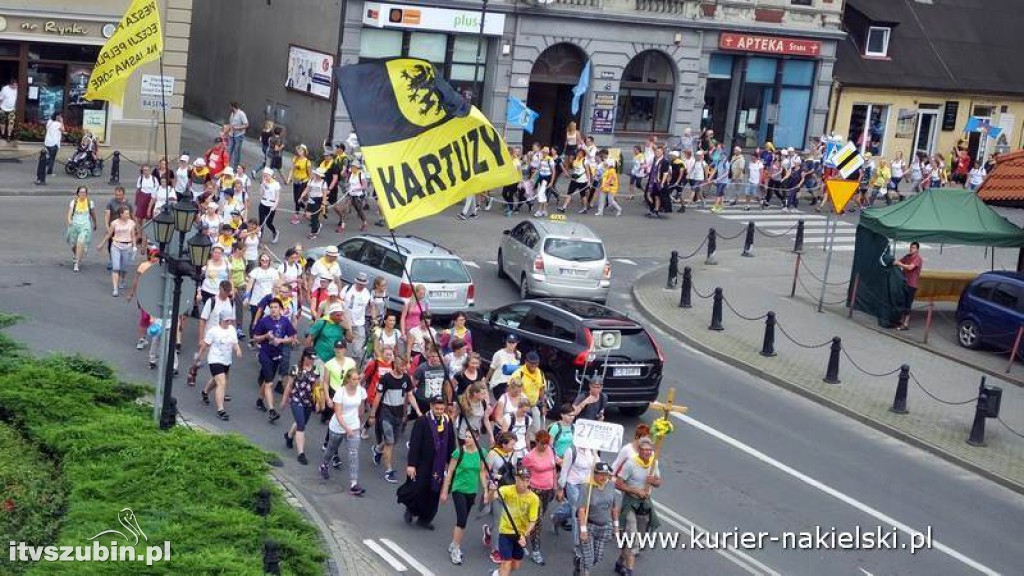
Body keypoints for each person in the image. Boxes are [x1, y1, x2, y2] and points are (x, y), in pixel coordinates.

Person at [401, 395, 456, 530]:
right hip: (423, 462)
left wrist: (451, 462)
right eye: (436, 408)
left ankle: (425, 518)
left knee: (434, 491)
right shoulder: (422, 421)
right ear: (431, 406)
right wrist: (411, 464)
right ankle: (411, 509)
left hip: (439, 463)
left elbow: (451, 443)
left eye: (441, 409)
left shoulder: (447, 422)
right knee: (418, 487)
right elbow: (415, 444)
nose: (439, 411)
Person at [440, 419, 489, 565]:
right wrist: (444, 491)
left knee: (463, 521)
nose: (466, 439)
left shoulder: (482, 452)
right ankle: (456, 549)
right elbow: (450, 472)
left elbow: (481, 472)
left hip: (471, 490)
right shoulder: (459, 452)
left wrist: (485, 491)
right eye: (465, 436)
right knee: (461, 519)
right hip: (458, 489)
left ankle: (453, 544)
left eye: (470, 437)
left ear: (477, 438)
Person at [614, 437, 661, 576]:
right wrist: (635, 491)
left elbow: (658, 482)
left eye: (649, 450)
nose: (647, 452)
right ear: (639, 450)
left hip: (645, 504)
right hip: (630, 503)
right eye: (644, 450)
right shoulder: (631, 463)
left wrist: (654, 481)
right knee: (632, 537)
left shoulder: (654, 463)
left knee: (639, 538)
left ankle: (620, 562)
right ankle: (629, 570)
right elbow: (618, 483)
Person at [320, 369, 368, 496]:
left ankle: (354, 483)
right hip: (338, 426)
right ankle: (324, 464)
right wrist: (347, 429)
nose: (357, 381)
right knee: (331, 448)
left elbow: (361, 408)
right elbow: (338, 414)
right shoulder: (340, 393)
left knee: (353, 454)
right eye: (354, 379)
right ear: (347, 380)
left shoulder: (361, 391)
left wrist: (359, 423)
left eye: (358, 379)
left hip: (354, 425)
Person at [370, 355, 415, 483]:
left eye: (405, 365)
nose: (404, 368)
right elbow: (378, 397)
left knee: (392, 441)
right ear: (395, 364)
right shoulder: (386, 379)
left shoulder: (406, 378)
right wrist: (373, 415)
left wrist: (416, 411)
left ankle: (377, 449)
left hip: (399, 413)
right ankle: (389, 471)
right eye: (401, 365)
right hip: (386, 413)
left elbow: (410, 395)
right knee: (390, 442)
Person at [251, 297, 296, 423]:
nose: (273, 310)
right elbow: (255, 338)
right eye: (271, 308)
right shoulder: (264, 322)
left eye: (275, 307)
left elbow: (292, 338)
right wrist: (266, 336)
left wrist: (280, 340)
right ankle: (272, 411)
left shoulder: (285, 321)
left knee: (267, 381)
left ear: (281, 309)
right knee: (270, 383)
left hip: (277, 354)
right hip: (265, 354)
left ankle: (259, 401)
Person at [489, 466, 540, 576]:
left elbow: (533, 521)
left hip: (520, 534)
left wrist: (525, 535)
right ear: (516, 479)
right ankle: (502, 571)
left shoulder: (534, 499)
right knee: (506, 564)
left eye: (527, 480)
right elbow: (490, 499)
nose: (524, 483)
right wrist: (492, 491)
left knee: (515, 565)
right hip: (505, 532)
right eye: (521, 480)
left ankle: (497, 573)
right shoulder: (506, 490)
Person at [575, 461, 620, 576]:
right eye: (600, 474)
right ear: (594, 474)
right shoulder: (587, 487)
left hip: (605, 526)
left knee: (597, 558)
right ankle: (584, 571)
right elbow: (581, 510)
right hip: (589, 526)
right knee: (588, 559)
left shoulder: (610, 485)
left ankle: (579, 562)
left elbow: (614, 507)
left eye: (605, 474)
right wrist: (583, 530)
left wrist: (616, 526)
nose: (603, 477)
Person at [196, 311, 242, 421]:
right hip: (215, 359)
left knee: (216, 381)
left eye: (230, 320)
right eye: (226, 320)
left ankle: (205, 392)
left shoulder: (231, 330)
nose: (228, 322)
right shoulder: (213, 331)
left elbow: (234, 343)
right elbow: (205, 345)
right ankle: (220, 410)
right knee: (222, 382)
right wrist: (199, 356)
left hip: (226, 360)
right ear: (221, 320)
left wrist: (238, 350)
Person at [520, 430, 557, 565]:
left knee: (532, 519)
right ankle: (536, 550)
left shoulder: (550, 451)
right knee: (537, 521)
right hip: (534, 491)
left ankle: (521, 538)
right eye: (542, 443)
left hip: (548, 490)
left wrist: (555, 486)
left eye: (547, 443)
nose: (545, 446)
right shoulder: (530, 456)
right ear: (536, 442)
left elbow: (553, 469)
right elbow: (522, 473)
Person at [482, 432, 520, 564]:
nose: (514, 447)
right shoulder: (493, 454)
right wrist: (491, 481)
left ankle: (488, 532)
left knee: (507, 519)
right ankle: (495, 550)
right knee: (499, 520)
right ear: (503, 444)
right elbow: (484, 471)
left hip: (510, 490)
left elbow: (514, 470)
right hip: (497, 490)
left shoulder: (514, 454)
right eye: (511, 444)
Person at [281, 346, 322, 465]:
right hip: (296, 399)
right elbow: (289, 385)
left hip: (308, 401)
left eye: (313, 358)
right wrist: (284, 400)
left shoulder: (316, 370)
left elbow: (317, 387)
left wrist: (318, 402)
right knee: (301, 426)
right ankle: (301, 453)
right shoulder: (296, 369)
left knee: (302, 422)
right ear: (304, 356)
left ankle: (289, 436)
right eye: (310, 357)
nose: (311, 360)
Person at [96, 206, 138, 295]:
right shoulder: (114, 223)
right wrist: (102, 244)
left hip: (127, 246)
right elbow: (109, 234)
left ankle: (122, 279)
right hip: (116, 246)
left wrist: (134, 247)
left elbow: (133, 236)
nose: (128, 215)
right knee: (116, 267)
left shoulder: (131, 223)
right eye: (126, 213)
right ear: (121, 214)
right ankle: (115, 289)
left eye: (128, 213)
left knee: (124, 267)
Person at [66, 186, 98, 275]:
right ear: (78, 193)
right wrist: (69, 220)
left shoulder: (89, 203)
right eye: (81, 192)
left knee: (81, 242)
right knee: (73, 244)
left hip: (85, 226)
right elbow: (69, 213)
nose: (82, 194)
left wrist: (95, 223)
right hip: (74, 225)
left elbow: (93, 214)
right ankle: (76, 255)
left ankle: (77, 263)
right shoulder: (74, 202)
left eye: (84, 192)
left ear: (87, 194)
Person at [342, 272, 373, 359]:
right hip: (344, 321)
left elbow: (371, 307)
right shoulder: (347, 289)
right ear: (356, 282)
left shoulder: (367, 294)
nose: (361, 285)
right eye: (359, 283)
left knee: (360, 340)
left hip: (358, 322)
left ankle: (355, 358)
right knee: (340, 341)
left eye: (363, 284)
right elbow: (339, 300)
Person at [894, 242, 922, 331]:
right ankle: (901, 321)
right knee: (902, 302)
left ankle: (905, 323)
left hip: (912, 284)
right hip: (905, 283)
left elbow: (910, 267)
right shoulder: (907, 256)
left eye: (913, 247)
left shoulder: (918, 258)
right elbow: (898, 261)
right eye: (911, 247)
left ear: (917, 249)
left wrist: (900, 264)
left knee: (908, 304)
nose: (911, 249)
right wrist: (897, 262)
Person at [412, 347, 447, 417]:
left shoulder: (445, 368)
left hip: (437, 401)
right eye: (433, 356)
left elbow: (446, 385)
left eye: (437, 356)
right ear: (429, 356)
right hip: (423, 401)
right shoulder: (421, 368)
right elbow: (413, 384)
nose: (435, 358)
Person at [486, 334, 521, 401]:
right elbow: (492, 368)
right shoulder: (498, 354)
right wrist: (486, 380)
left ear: (516, 343)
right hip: (499, 382)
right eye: (509, 342)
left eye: (513, 343)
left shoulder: (518, 354)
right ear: (506, 342)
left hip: (511, 383)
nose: (511, 344)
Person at [258, 168, 281, 243]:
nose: (265, 177)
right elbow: (261, 194)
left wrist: (274, 206)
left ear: (270, 175)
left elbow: (277, 197)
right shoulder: (264, 183)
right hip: (263, 203)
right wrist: (262, 185)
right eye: (263, 176)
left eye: (266, 176)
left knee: (268, 222)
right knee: (261, 222)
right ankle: (259, 238)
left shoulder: (276, 184)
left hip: (271, 206)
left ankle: (275, 232)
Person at [42, 112, 65, 177]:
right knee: (52, 158)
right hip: (54, 143)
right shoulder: (58, 124)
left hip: (47, 142)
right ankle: (49, 171)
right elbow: (63, 130)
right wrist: (62, 122)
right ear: (57, 116)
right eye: (60, 116)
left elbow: (48, 128)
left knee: (50, 157)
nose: (61, 117)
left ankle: (43, 164)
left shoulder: (49, 121)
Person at [227, 102, 248, 168]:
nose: (229, 108)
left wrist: (237, 128)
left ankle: (235, 169)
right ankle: (226, 166)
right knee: (229, 151)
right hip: (231, 135)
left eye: (230, 107)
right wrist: (226, 132)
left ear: (233, 107)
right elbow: (231, 124)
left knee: (237, 152)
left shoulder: (241, 114)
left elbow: (246, 125)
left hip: (239, 136)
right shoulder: (232, 114)